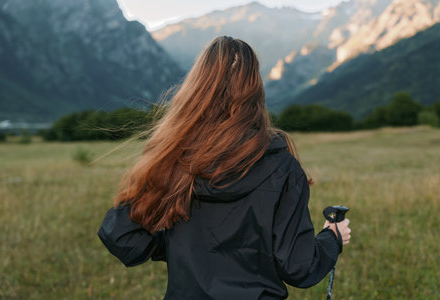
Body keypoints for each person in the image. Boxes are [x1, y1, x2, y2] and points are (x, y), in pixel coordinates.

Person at [98, 36, 351, 299]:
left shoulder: (174, 159)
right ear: (255, 90)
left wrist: (181, 248)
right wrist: (331, 238)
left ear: (197, 88)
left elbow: (120, 234)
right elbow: (299, 267)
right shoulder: (283, 167)